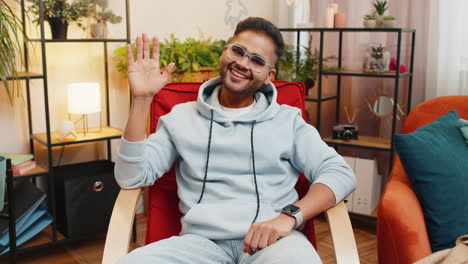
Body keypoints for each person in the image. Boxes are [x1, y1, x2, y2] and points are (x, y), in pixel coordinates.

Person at [115, 17, 356, 264]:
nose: (242, 63)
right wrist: (142, 99)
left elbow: (340, 173)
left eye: (257, 60)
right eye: (238, 51)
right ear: (225, 51)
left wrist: (290, 217)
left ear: (269, 75)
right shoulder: (179, 118)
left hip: (275, 244)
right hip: (199, 245)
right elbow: (131, 176)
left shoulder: (288, 121)